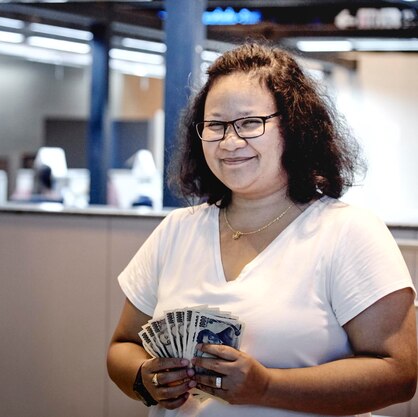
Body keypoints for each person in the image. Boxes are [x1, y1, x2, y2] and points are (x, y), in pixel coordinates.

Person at [106, 42, 416, 417]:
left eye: (250, 123)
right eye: (216, 125)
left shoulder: (348, 232)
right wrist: (144, 378)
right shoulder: (177, 230)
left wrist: (267, 386)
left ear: (294, 126)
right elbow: (122, 345)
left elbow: (400, 374)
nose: (231, 142)